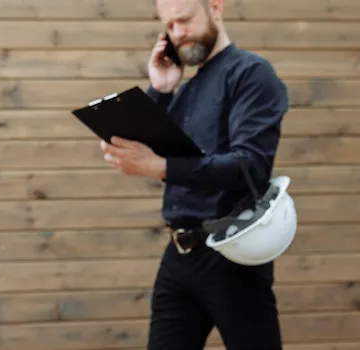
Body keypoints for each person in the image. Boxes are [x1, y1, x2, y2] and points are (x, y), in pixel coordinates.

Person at [99, 0, 290, 349]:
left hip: (234, 254)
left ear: (215, 7)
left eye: (185, 20)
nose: (178, 34)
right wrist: (161, 89)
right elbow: (149, 147)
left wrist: (161, 168)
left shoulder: (250, 73)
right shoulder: (185, 89)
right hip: (180, 255)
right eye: (169, 26)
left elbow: (250, 165)